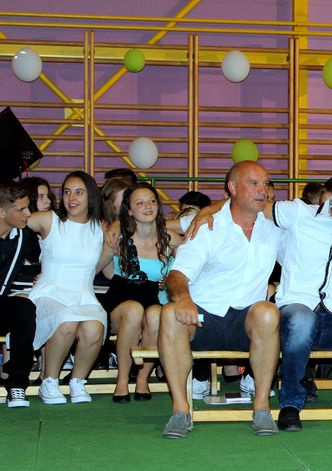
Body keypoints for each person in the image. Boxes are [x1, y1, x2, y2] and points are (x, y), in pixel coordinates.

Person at [186, 168, 332, 432]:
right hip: (293, 317)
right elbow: (248, 203)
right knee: (302, 317)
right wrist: (208, 209)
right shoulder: (299, 214)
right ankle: (291, 405)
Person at [159, 161, 282, 439]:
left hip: (245, 322)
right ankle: (180, 410)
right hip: (204, 317)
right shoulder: (208, 225)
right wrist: (183, 297)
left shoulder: (275, 228)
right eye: (253, 183)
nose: (262, 190)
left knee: (268, 312)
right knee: (170, 314)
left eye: (265, 184)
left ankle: (262, 407)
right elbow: (177, 275)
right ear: (232, 188)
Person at [26, 171, 111, 405]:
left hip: (84, 295)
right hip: (50, 292)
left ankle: (77, 381)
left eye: (79, 192)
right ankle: (49, 381)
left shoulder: (100, 228)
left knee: (95, 328)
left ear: (90, 196)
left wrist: (111, 248)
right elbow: (13, 218)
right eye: (67, 192)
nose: (71, 198)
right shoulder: (49, 219)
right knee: (66, 323)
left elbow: (100, 269)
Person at [101, 183, 179, 403]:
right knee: (134, 311)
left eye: (152, 201)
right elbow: (97, 270)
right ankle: (123, 379)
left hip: (154, 298)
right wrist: (108, 248)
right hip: (121, 299)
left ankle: (143, 378)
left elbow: (187, 272)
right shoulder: (117, 237)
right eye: (140, 203)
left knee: (156, 315)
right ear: (129, 210)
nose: (148, 206)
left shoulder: (171, 239)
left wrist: (170, 279)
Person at [0, 181, 40, 408]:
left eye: (28, 208)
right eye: (21, 209)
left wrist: (45, 274)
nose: (28, 214)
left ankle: (17, 385)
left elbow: (44, 256)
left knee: (25, 308)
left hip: (1, 304)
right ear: (2, 212)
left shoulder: (24, 235)